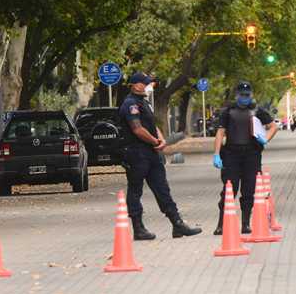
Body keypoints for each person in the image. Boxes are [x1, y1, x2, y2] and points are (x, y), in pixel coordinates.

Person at [118, 72, 201, 240]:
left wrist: (161, 139)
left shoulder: (144, 103)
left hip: (151, 153)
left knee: (162, 188)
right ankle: (138, 228)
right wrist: (156, 142)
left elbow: (152, 125)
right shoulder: (130, 104)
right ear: (136, 85)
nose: (149, 86)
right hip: (136, 154)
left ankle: (177, 224)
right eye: (146, 83)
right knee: (135, 191)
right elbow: (137, 129)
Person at [212, 81, 278, 235]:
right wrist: (216, 153)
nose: (245, 98)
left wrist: (266, 138)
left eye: (247, 95)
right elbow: (220, 132)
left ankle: (245, 224)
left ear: (251, 95)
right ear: (237, 95)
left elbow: (273, 126)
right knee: (229, 189)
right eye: (242, 95)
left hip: (252, 154)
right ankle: (221, 224)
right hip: (231, 154)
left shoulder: (257, 110)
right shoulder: (228, 111)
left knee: (249, 190)